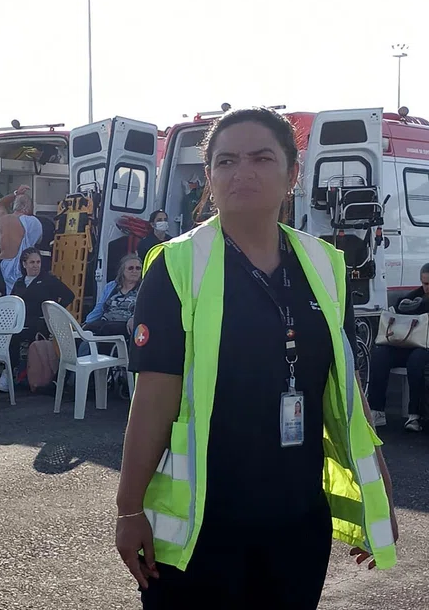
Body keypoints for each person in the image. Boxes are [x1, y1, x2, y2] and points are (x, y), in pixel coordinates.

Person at [117, 108, 397, 608]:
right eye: (225, 161)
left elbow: (347, 389)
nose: (241, 171)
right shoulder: (177, 267)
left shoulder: (325, 267)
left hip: (296, 524)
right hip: (202, 530)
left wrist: (380, 489)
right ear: (209, 178)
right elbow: (154, 399)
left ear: (293, 174)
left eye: (261, 158)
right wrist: (128, 509)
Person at [0, 248, 73, 393]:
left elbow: (69, 295)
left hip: (40, 323)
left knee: (13, 337)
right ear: (24, 264)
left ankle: (8, 375)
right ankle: (11, 372)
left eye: (38, 262)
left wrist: (52, 312)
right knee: (3, 334)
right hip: (21, 322)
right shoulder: (19, 282)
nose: (35, 265)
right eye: (31, 262)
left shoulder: (49, 280)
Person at [366, 263, 429, 432]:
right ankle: (377, 410)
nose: (426, 288)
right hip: (408, 343)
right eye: (424, 283)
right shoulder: (412, 298)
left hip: (425, 347)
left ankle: (415, 414)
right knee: (380, 355)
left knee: (416, 361)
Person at [83, 254, 142, 341]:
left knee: (107, 328)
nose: (134, 271)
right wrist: (86, 323)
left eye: (138, 268)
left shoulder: (143, 288)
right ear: (122, 271)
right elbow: (99, 308)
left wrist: (134, 318)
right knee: (85, 332)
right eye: (130, 268)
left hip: (126, 324)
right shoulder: (111, 286)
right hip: (105, 321)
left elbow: (146, 309)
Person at [0, 186, 42, 295]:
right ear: (28, 208)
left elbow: (0, 204)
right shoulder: (32, 221)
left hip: (2, 264)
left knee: (1, 298)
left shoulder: (3, 219)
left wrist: (15, 193)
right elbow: (38, 241)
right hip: (20, 266)